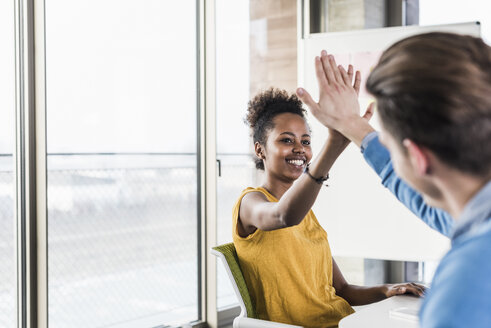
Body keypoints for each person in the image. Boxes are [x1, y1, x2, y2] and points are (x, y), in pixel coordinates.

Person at [296, 32, 491, 327]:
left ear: (418, 158)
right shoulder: (474, 218)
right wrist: (352, 125)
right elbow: (434, 205)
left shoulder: (465, 286)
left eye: (390, 143)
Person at [233, 87, 425, 328]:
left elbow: (343, 290)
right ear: (260, 149)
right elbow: (283, 215)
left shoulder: (306, 214)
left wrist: (389, 289)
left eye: (305, 141)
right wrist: (335, 143)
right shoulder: (250, 203)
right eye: (286, 140)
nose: (299, 149)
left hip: (342, 322)